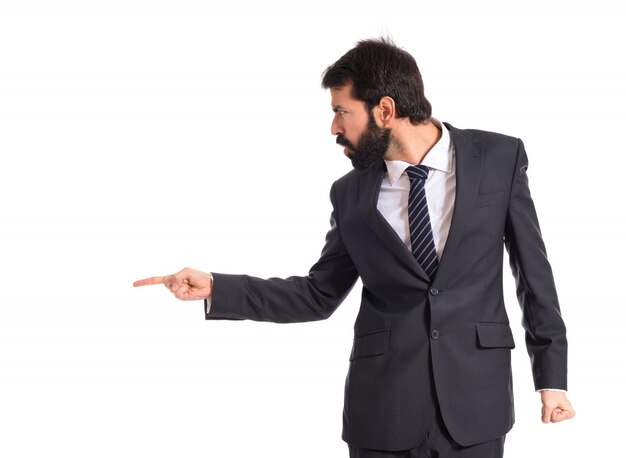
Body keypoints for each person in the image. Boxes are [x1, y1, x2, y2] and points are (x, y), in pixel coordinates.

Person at [134, 37, 575, 457]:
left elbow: (534, 275)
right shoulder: (350, 195)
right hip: (382, 411)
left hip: (477, 405)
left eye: (342, 112)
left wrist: (551, 379)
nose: (334, 128)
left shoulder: (499, 158)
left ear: (385, 109)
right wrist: (216, 287)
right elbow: (317, 294)